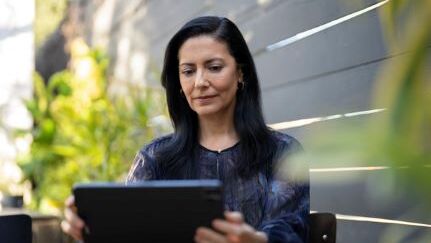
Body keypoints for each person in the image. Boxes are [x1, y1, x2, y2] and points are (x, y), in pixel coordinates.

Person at [61, 16, 309, 243]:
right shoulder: (155, 158)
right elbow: (131, 232)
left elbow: (290, 229)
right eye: (188, 71)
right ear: (178, 82)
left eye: (214, 67)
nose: (200, 82)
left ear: (240, 73)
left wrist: (255, 240)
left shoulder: (281, 152)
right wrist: (91, 229)